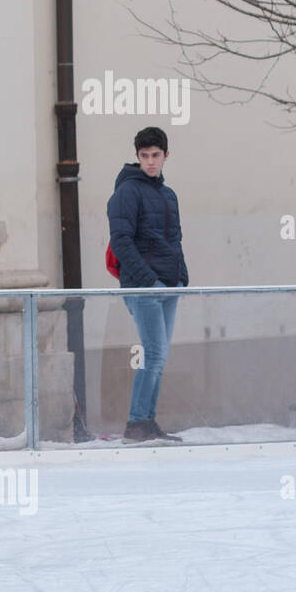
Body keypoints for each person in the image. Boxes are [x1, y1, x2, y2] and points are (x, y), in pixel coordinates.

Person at [107, 126, 188, 443]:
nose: (150, 162)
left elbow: (175, 240)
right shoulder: (127, 192)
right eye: (144, 156)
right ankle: (137, 422)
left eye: (156, 155)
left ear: (166, 156)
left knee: (159, 356)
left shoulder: (168, 195)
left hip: (168, 287)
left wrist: (181, 278)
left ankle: (146, 421)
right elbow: (121, 242)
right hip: (144, 288)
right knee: (153, 354)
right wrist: (150, 281)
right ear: (137, 156)